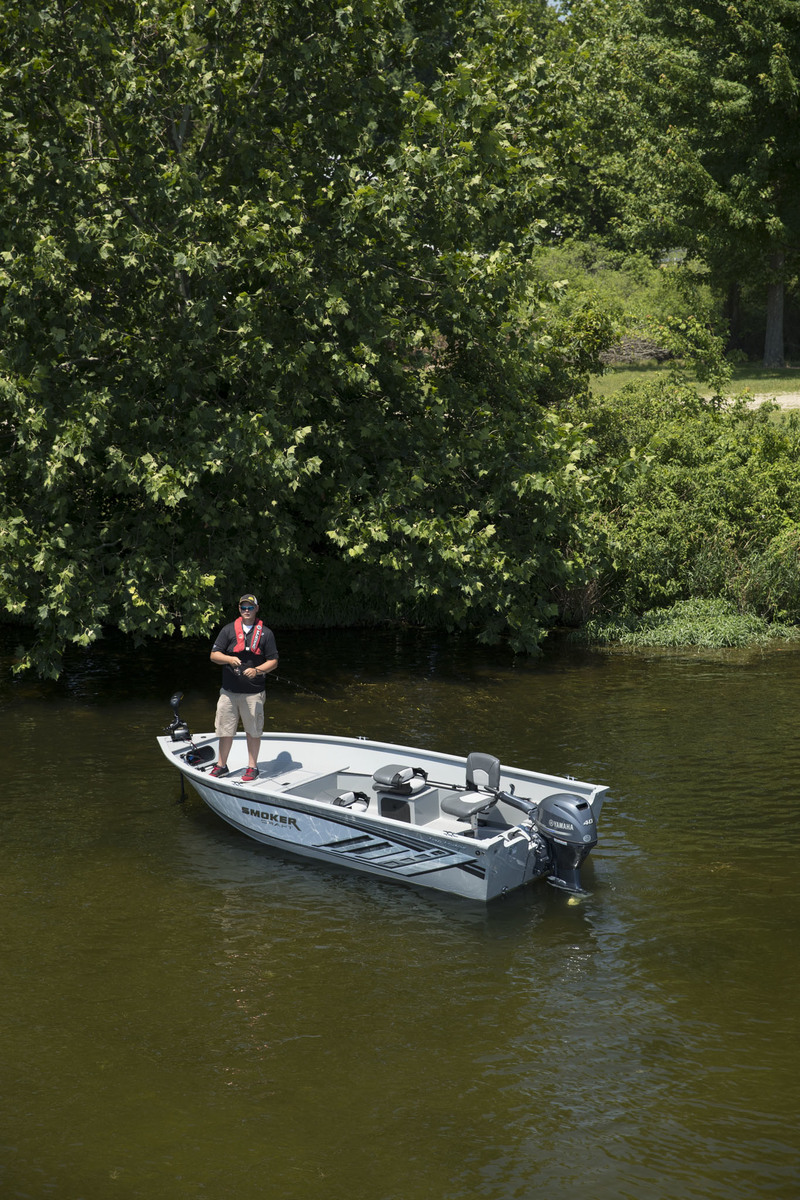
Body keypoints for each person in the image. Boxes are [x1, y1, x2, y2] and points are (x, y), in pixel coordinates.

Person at [209, 594, 279, 781]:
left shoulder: (266, 633)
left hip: (253, 693)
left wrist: (257, 670)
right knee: (225, 730)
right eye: (243, 608)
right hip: (229, 692)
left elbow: (273, 662)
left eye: (250, 607)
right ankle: (221, 765)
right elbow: (214, 655)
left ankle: (252, 767)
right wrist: (229, 659)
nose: (246, 611)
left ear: (257, 608)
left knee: (253, 731)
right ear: (239, 609)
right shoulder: (228, 630)